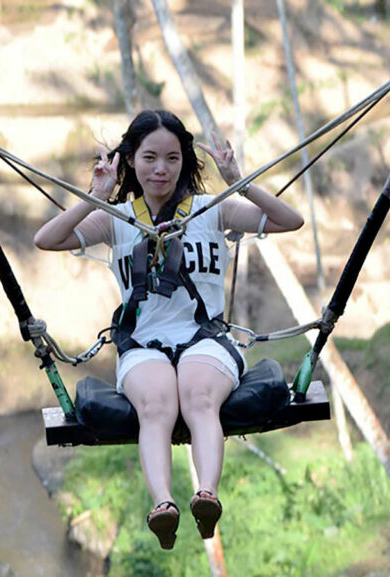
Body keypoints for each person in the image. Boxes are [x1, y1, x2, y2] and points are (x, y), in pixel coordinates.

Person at [34, 110, 303, 550]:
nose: (161, 169)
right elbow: (47, 239)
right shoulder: (116, 218)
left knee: (199, 396)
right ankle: (164, 505)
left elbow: (289, 220)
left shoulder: (213, 210)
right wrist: (96, 194)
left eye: (173, 159)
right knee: (156, 405)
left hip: (206, 340)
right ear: (132, 162)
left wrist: (237, 179)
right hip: (144, 346)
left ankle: (206, 495)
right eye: (150, 158)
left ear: (184, 163)